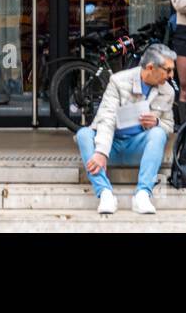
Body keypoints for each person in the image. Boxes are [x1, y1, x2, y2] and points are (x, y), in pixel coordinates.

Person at [75, 43, 177, 215]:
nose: (171, 75)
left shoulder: (167, 91)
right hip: (111, 147)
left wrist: (157, 122)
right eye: (168, 70)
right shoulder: (118, 81)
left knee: (159, 134)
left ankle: (143, 194)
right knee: (83, 134)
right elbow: (106, 118)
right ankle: (105, 193)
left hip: (137, 147)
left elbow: (169, 126)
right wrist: (101, 152)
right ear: (151, 67)